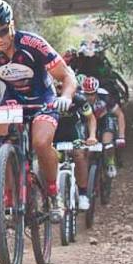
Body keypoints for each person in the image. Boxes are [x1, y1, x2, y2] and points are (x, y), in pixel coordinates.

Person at [0, 0, 78, 221]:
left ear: (12, 24)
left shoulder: (33, 44)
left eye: (2, 31)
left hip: (43, 99)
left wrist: (65, 97)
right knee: (3, 137)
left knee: (40, 142)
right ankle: (9, 196)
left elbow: (67, 76)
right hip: (13, 100)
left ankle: (52, 192)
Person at [52, 82, 97, 211]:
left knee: (79, 154)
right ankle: (50, 195)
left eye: (64, 86)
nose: (62, 90)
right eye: (58, 87)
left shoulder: (79, 99)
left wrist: (92, 136)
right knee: (50, 158)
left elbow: (91, 118)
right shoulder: (48, 97)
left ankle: (83, 194)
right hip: (55, 132)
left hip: (74, 131)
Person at [81, 76, 122, 178]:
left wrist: (122, 136)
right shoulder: (79, 97)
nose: (89, 97)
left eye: (92, 94)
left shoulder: (105, 96)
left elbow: (120, 115)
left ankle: (110, 162)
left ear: (97, 91)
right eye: (87, 94)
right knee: (84, 147)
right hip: (88, 121)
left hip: (104, 120)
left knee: (107, 143)